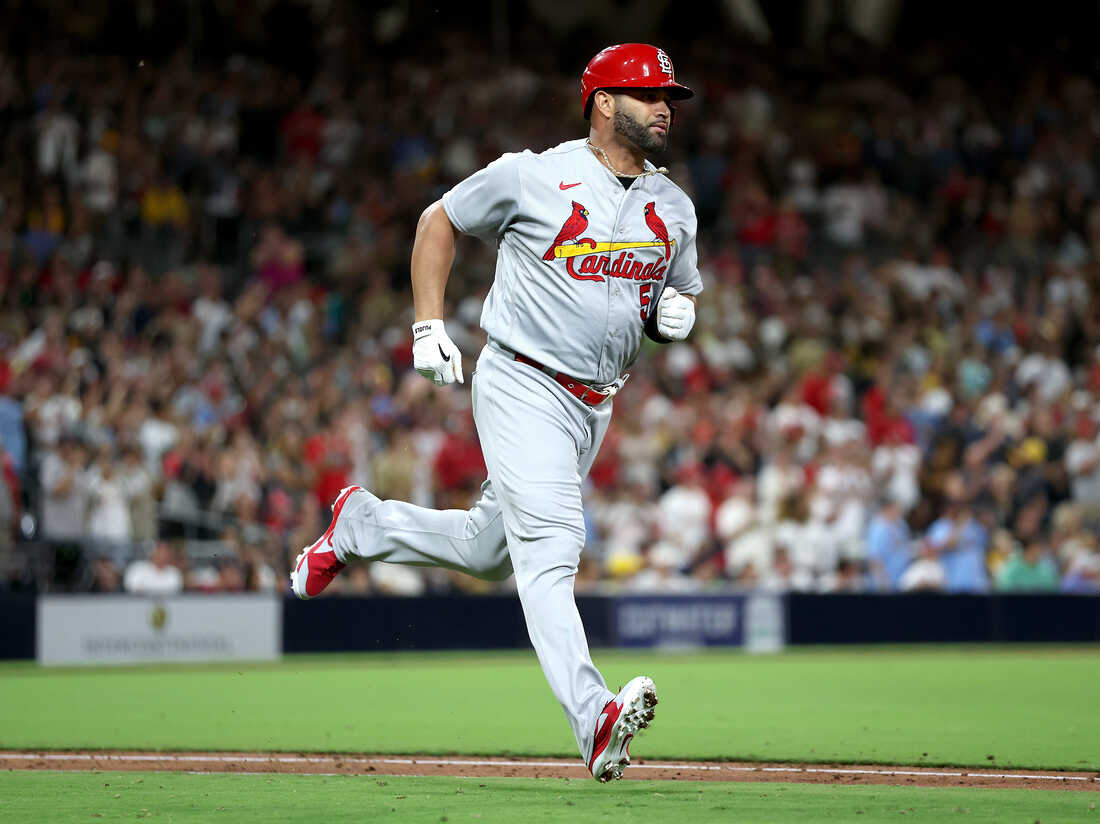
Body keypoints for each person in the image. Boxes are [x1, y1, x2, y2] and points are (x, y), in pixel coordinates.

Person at [291, 44, 699, 783]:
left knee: (488, 549)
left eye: (669, 94)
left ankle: (363, 525)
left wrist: (674, 316)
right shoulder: (533, 175)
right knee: (551, 543)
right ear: (603, 103)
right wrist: (427, 324)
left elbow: (675, 299)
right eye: (647, 94)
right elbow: (437, 221)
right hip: (521, 379)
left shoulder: (674, 207)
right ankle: (594, 716)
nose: (664, 105)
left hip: (594, 404)